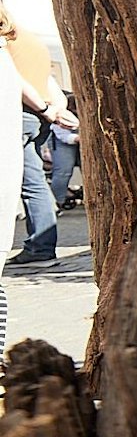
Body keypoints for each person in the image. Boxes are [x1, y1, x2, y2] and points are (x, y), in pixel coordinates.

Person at [9, 25, 72, 269]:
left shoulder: (6, 41)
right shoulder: (30, 41)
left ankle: (40, 247)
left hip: (22, 112)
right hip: (36, 115)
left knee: (31, 183)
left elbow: (16, 80)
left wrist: (46, 109)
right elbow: (48, 80)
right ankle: (40, 246)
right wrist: (55, 109)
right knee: (34, 180)